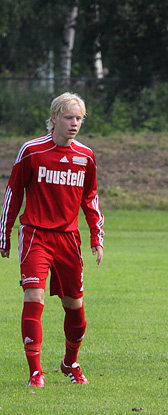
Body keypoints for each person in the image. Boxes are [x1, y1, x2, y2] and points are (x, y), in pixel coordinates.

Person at [0, 92, 104, 387]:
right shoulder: (32, 151)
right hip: (35, 235)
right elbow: (14, 192)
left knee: (75, 308)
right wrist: (4, 234)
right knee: (34, 298)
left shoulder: (86, 156)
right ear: (55, 117)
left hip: (69, 239)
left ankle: (70, 363)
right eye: (69, 117)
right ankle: (35, 372)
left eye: (79, 119)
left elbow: (90, 198)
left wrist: (96, 235)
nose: (74, 124)